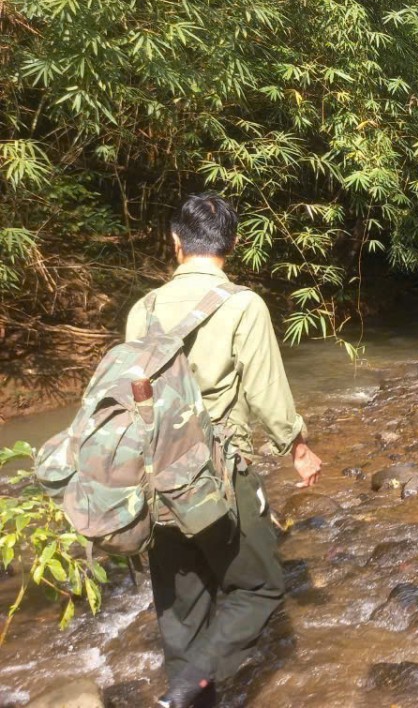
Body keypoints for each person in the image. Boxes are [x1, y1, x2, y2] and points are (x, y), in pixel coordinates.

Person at [124, 194, 322, 708]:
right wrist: (297, 447)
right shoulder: (242, 305)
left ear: (175, 245)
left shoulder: (141, 310)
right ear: (233, 245)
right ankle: (194, 683)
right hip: (219, 474)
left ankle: (182, 695)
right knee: (259, 588)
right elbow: (266, 392)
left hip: (154, 474)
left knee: (181, 605)